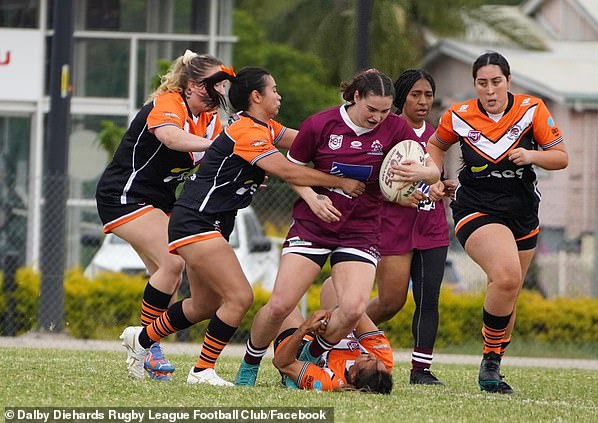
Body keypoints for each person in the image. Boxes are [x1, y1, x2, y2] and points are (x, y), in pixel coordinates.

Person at [119, 66, 366, 386]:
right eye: (274, 89)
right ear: (256, 96)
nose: (279, 95)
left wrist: (359, 131)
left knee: (205, 304)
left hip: (211, 221)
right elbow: (287, 170)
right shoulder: (246, 131)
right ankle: (202, 370)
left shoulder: (266, 127)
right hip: (196, 219)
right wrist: (338, 181)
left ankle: (140, 340)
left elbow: (310, 143)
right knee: (239, 298)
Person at [235, 69, 440, 386]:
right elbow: (293, 172)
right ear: (356, 96)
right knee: (279, 305)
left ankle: (308, 358)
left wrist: (419, 174)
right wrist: (313, 198)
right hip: (313, 225)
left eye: (385, 111)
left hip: (360, 229)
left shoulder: (396, 128)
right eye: (372, 109)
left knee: (354, 307)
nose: (378, 118)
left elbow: (432, 171)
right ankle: (249, 366)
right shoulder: (320, 124)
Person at [426, 51, 568, 394]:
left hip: (522, 212)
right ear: (474, 84)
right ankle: (488, 364)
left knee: (509, 289)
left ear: (508, 81)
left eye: (496, 82)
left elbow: (560, 157)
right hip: (476, 207)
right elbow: (435, 144)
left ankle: (494, 362)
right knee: (506, 277)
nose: (489, 90)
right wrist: (433, 177)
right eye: (482, 83)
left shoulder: (531, 109)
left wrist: (532, 155)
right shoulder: (459, 115)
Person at [95, 50, 233, 380]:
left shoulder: (210, 118)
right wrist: (214, 145)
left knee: (165, 270)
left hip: (159, 200)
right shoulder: (170, 102)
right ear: (191, 85)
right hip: (125, 195)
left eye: (222, 86)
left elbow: (229, 147)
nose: (218, 93)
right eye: (211, 85)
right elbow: (171, 137)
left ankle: (142, 357)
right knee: (173, 262)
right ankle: (147, 345)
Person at [364, 69, 453, 385]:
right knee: (391, 301)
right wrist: (399, 198)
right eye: (416, 94)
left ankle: (421, 370)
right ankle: (339, 330)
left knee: (429, 298)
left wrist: (443, 188)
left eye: (428, 95)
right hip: (394, 226)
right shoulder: (386, 130)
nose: (423, 101)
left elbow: (434, 181)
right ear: (401, 97)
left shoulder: (436, 136)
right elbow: (376, 180)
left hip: (431, 226)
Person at [272, 278, 393, 394]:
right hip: (331, 331)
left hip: (299, 354)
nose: (372, 355)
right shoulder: (382, 362)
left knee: (280, 306)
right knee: (334, 284)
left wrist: (304, 328)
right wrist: (331, 315)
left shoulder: (329, 382)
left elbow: (281, 363)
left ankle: (254, 366)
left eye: (368, 359)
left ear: (353, 376)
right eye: (376, 359)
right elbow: (357, 313)